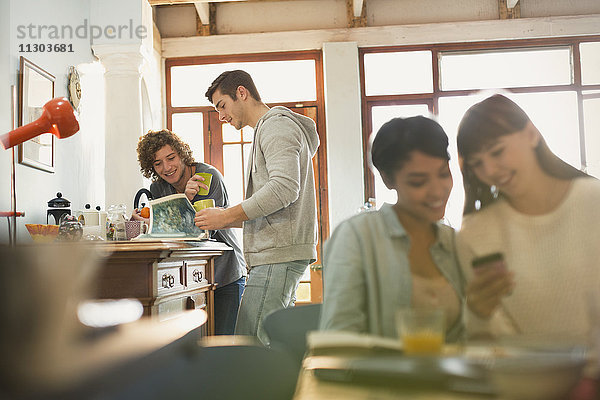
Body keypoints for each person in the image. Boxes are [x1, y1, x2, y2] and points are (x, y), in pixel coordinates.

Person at [456, 94, 599, 396]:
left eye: (497, 152)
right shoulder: (475, 233)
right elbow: (488, 338)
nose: (491, 170)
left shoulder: (593, 202)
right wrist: (478, 312)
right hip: (527, 385)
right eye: (477, 163)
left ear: (532, 133)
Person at [196, 70, 319, 345]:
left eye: (222, 106)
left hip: (277, 255)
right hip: (277, 253)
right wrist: (222, 220)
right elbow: (275, 205)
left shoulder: (276, 126)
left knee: (250, 346)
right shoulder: (270, 129)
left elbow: (284, 189)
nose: (221, 117)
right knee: (269, 343)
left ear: (242, 93)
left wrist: (226, 215)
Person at [319, 116, 465, 342]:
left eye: (444, 174)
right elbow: (340, 340)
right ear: (388, 179)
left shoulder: (453, 243)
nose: (437, 191)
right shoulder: (358, 237)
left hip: (451, 376)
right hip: (377, 377)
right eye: (418, 182)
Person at [135, 129, 247, 335]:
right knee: (196, 344)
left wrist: (183, 202)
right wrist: (149, 222)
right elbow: (166, 232)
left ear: (182, 154)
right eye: (157, 163)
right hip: (188, 277)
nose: (166, 168)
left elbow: (205, 233)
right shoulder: (158, 189)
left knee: (223, 340)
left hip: (225, 273)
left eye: (171, 158)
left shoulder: (207, 177)